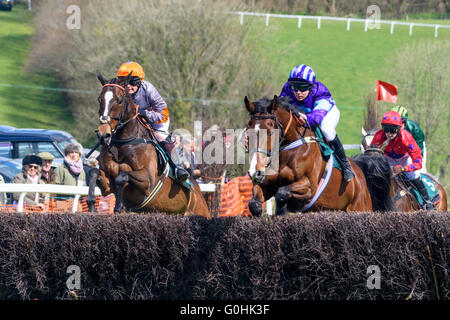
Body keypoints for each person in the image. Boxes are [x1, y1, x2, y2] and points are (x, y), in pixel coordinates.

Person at [116, 61, 189, 182]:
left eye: (133, 81)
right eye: (124, 81)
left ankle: (178, 168)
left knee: (161, 137)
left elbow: (163, 114)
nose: (128, 85)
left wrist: (146, 114)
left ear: (140, 81)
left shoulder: (148, 89)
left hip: (155, 120)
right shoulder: (119, 90)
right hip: (132, 122)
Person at [279, 64, 354, 181]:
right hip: (303, 112)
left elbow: (316, 117)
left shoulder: (320, 92)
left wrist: (307, 118)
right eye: (295, 88)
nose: (298, 92)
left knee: (326, 130)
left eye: (303, 88)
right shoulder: (288, 88)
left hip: (326, 113)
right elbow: (281, 105)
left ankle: (345, 165)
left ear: (311, 86)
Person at [370, 111, 435, 210]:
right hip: (387, 159)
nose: (389, 134)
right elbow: (371, 157)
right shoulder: (378, 137)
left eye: (392, 130)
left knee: (414, 175)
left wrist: (403, 169)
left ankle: (428, 202)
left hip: (404, 159)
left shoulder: (406, 138)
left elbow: (418, 163)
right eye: (386, 130)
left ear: (399, 129)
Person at [392, 105, 427, 173]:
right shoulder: (388, 130)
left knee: (419, 172)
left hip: (414, 149)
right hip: (397, 150)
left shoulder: (415, 130)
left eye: (400, 122)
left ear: (404, 122)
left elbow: (418, 154)